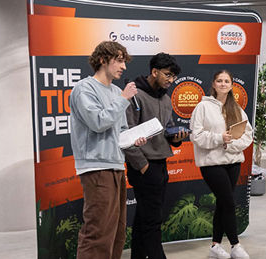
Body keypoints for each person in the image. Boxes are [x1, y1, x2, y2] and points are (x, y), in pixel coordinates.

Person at [70, 41, 146, 259]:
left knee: (116, 231)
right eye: (120, 60)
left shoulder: (115, 91)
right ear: (103, 60)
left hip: (115, 165)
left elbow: (120, 130)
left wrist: (133, 140)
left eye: (124, 61)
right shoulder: (84, 89)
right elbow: (98, 122)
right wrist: (123, 99)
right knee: (98, 232)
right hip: (95, 167)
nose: (124, 67)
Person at [122, 52, 185, 259]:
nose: (171, 80)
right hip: (144, 167)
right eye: (167, 75)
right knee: (152, 221)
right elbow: (126, 134)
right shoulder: (135, 96)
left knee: (144, 218)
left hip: (161, 164)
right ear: (154, 71)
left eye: (173, 76)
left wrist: (177, 138)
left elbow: (167, 130)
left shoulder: (166, 99)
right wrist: (142, 166)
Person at [190, 70, 253, 259]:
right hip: (211, 163)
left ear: (231, 85)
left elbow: (247, 135)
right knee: (228, 202)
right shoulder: (202, 107)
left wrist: (230, 144)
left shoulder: (237, 109)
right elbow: (197, 136)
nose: (223, 84)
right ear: (214, 84)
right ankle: (235, 245)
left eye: (227, 81)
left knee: (222, 203)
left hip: (233, 162)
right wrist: (220, 138)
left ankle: (215, 246)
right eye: (220, 80)